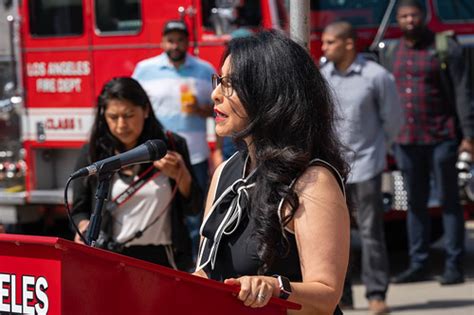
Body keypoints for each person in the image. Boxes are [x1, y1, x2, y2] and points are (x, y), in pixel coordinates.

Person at [193, 30, 350, 315]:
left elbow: (326, 295)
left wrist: (274, 287)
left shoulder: (313, 181)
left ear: (268, 93)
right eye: (219, 81)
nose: (215, 94)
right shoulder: (225, 173)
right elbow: (205, 273)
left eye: (229, 84)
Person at [381, 0, 474, 285]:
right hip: (406, 142)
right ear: (398, 20)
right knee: (416, 205)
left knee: (449, 203)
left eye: (414, 15)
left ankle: (453, 265)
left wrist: (468, 137)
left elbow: (463, 93)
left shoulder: (446, 48)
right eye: (404, 16)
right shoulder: (393, 52)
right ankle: (418, 263)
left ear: (424, 16)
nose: (410, 20)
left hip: (441, 138)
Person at [71, 77, 203, 271]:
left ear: (146, 110)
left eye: (129, 115)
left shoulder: (171, 146)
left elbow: (195, 208)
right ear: (103, 116)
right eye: (113, 117)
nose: (121, 125)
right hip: (111, 257)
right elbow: (79, 208)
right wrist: (84, 226)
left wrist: (181, 175)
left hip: (165, 259)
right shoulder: (94, 152)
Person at [320, 21, 403, 314]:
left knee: (370, 233)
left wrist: (380, 151)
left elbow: (393, 121)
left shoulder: (376, 76)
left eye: (330, 42)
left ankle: (376, 295)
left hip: (367, 167)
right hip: (333, 170)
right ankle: (341, 297)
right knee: (333, 236)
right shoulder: (323, 76)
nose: (324, 47)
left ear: (349, 44)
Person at [132, 20, 216, 259]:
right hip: (157, 154)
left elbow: (220, 107)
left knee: (195, 212)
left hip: (195, 154)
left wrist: (204, 110)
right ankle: (166, 260)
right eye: (171, 40)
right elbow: (135, 104)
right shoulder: (144, 69)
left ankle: (195, 264)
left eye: (180, 40)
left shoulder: (204, 69)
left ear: (188, 42)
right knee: (160, 208)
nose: (175, 45)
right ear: (162, 42)